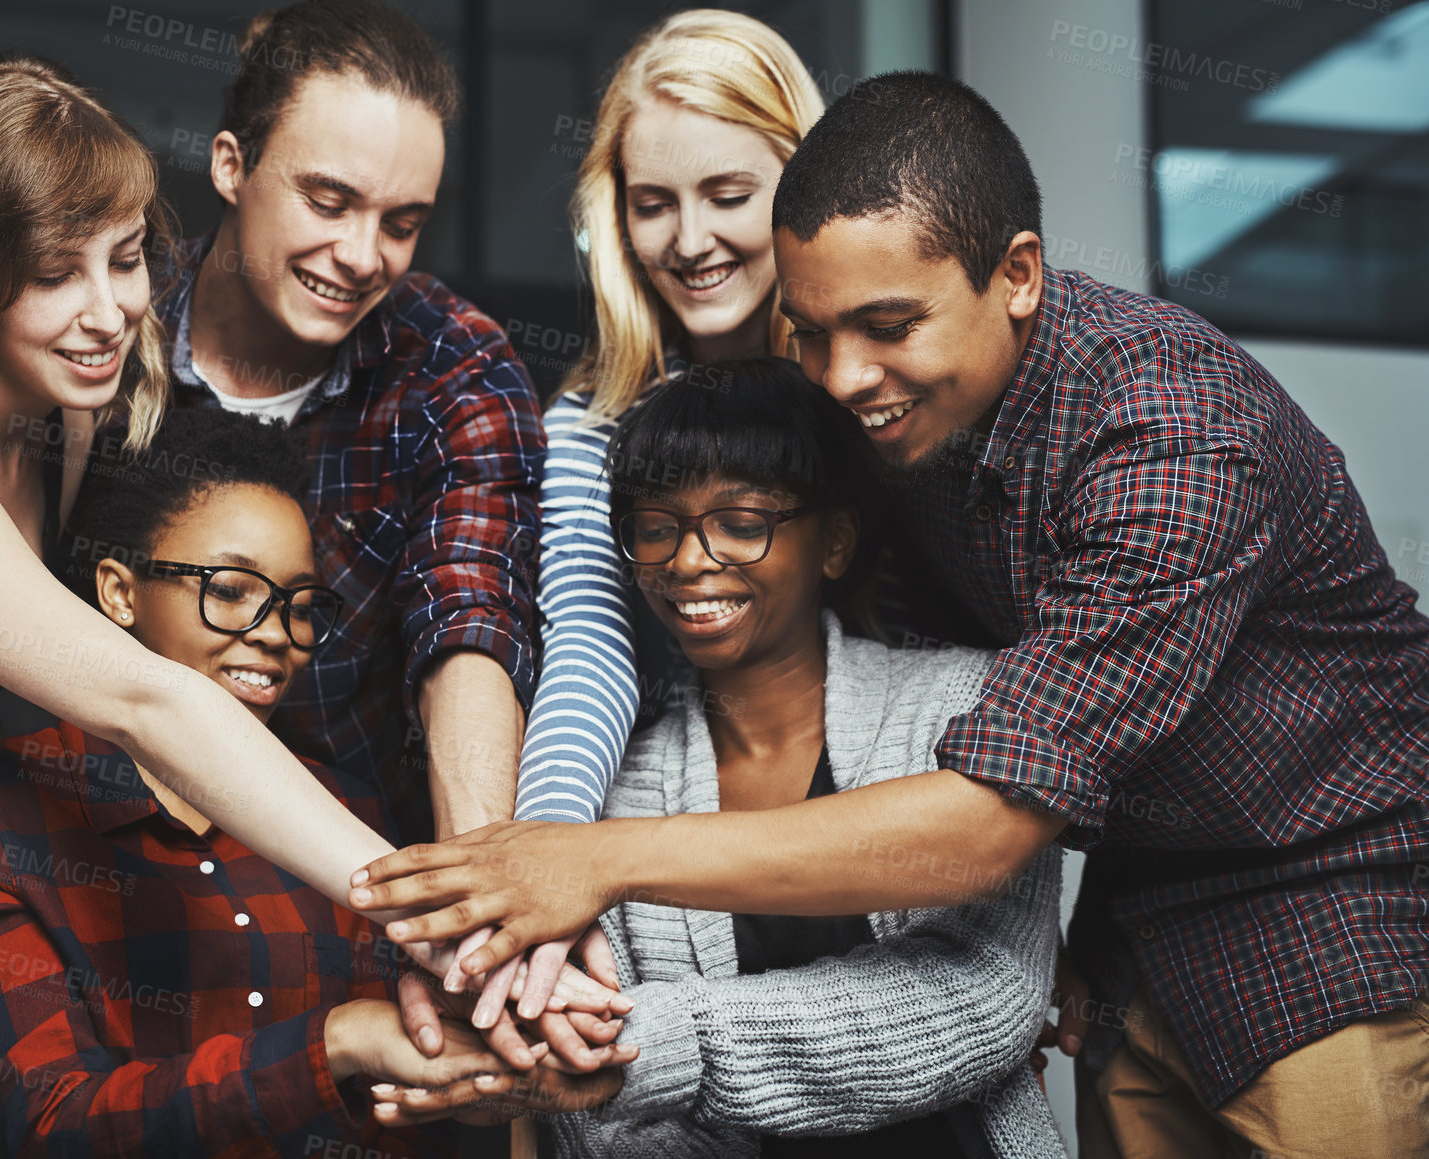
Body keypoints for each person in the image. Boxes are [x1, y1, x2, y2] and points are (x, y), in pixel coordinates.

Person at [349, 71, 1429, 1159]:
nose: (843, 377)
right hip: (1133, 931)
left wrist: (593, 859)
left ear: (1015, 275)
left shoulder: (1170, 436)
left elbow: (982, 823)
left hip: (1320, 916)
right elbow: (601, 644)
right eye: (809, 333)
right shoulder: (909, 416)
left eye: (884, 326)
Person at [0, 53, 573, 1158]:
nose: (112, 311)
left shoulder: (60, 423)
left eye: (124, 262)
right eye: (56, 273)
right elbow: (143, 697)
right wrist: (432, 912)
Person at [0, 408, 623, 1158]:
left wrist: (494, 1074)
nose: (277, 632)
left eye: (301, 604)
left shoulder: (343, 811)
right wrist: (336, 1041)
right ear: (119, 593)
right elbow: (44, 1127)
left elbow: (403, 1097)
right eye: (233, 588)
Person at [533, 360, 1059, 1157]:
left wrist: (671, 1043)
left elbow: (989, 998)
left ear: (837, 541)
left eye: (742, 522)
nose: (685, 561)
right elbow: (597, 1121)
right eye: (654, 525)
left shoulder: (964, 709)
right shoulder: (617, 792)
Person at [148, 0, 543, 855]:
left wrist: (476, 886)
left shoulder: (456, 363)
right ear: (230, 164)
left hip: (360, 871)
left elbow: (469, 614)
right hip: (111, 851)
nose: (365, 256)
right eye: (329, 202)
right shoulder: (110, 327)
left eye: (401, 223)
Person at [503, 7, 828, 1016]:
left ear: (805, 186)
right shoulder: (595, 418)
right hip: (686, 834)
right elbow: (590, 648)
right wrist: (542, 868)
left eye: (728, 195)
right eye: (652, 203)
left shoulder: (868, 383)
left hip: (876, 811)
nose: (689, 242)